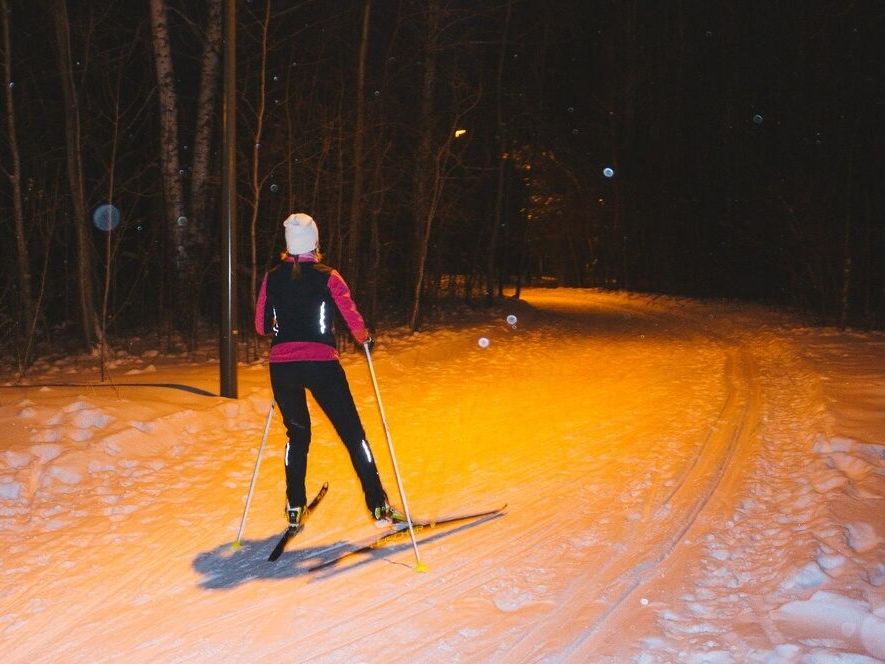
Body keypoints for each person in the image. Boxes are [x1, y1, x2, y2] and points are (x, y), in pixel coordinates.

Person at [254, 212, 402, 528]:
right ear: (315, 242)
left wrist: (282, 323)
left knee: (298, 436)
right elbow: (352, 318)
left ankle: (294, 506)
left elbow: (260, 325)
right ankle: (378, 506)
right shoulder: (328, 275)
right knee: (353, 434)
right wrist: (365, 339)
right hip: (322, 366)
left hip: (283, 368)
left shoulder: (272, 277)